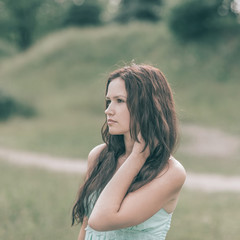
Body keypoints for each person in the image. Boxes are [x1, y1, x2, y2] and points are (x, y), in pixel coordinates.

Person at [72, 63, 186, 240]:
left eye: (120, 101)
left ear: (147, 107)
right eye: (109, 101)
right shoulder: (99, 157)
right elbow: (87, 227)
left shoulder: (170, 173)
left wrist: (137, 157)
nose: (108, 110)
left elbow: (101, 219)